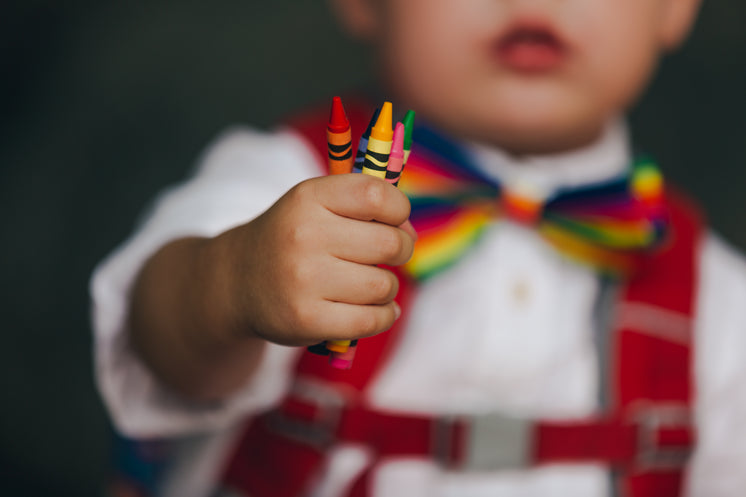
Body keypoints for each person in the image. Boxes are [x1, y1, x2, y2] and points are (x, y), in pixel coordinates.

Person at [91, 0, 746, 496]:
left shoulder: (719, 300)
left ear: (677, 7)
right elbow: (160, 344)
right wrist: (236, 280)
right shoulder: (282, 182)